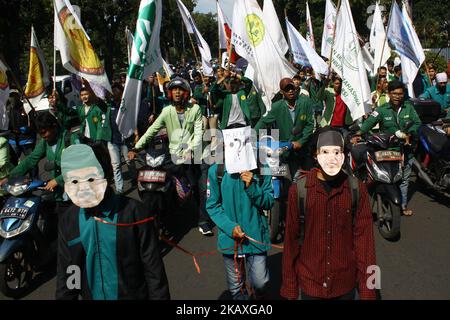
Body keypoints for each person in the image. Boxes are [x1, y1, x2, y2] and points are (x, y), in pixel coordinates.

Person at [56, 143, 170, 300]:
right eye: (75, 180)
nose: (83, 187)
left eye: (90, 178)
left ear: (107, 174)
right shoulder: (70, 221)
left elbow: (153, 270)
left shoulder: (134, 213)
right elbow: (70, 270)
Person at [281, 129, 377, 300]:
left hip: (345, 285)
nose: (331, 158)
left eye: (337, 152)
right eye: (324, 152)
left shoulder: (357, 189)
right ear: (315, 155)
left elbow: (366, 245)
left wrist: (370, 290)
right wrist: (290, 288)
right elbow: (291, 242)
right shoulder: (299, 191)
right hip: (311, 285)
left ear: (343, 156)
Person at [206, 161, 274, 300]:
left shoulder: (263, 168)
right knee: (236, 288)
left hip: (256, 239)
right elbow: (212, 205)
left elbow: (269, 201)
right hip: (230, 241)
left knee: (261, 283)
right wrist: (229, 227)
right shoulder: (216, 171)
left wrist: (252, 187)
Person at [354, 80, 421, 216]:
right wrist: (358, 134)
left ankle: (402, 206)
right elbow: (369, 123)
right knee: (381, 176)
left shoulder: (409, 108)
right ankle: (370, 203)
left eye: (400, 94)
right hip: (387, 151)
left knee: (404, 180)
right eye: (394, 93)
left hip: (405, 151)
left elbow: (417, 123)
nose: (397, 96)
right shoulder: (382, 110)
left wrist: (409, 133)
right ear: (389, 94)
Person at [254, 78, 315, 176]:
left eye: (292, 88)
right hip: (285, 149)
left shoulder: (305, 102)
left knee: (306, 175)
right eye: (287, 89)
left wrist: (301, 142)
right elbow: (263, 121)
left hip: (303, 147)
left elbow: (309, 125)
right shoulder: (276, 107)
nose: (290, 91)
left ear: (295, 89)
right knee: (285, 176)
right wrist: (251, 135)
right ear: (282, 92)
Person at [107, 84, 137, 194]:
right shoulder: (108, 105)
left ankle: (135, 178)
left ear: (121, 93)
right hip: (112, 140)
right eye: (112, 91)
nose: (113, 93)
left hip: (125, 140)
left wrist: (135, 133)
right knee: (116, 165)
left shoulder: (126, 105)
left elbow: (132, 119)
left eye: (116, 91)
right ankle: (120, 189)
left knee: (129, 161)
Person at [7, 89, 37, 170]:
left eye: (14, 95)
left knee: (31, 161)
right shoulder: (7, 109)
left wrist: (28, 129)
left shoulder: (26, 107)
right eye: (11, 96)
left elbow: (34, 122)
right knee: (12, 162)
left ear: (18, 96)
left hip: (26, 139)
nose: (12, 98)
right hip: (13, 139)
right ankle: (14, 179)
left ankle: (34, 178)